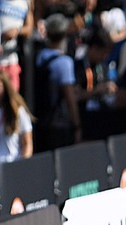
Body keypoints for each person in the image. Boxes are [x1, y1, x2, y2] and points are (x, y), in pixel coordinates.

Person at [32, 13, 81, 151]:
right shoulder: (64, 62)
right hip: (58, 125)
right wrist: (77, 125)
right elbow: (69, 97)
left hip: (40, 121)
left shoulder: (39, 56)